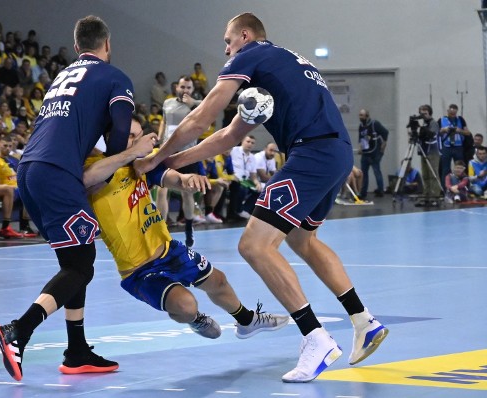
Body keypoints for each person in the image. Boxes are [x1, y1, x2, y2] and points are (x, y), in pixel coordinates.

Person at [135, 13, 388, 383]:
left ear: (245, 35)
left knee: (254, 245)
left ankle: (315, 337)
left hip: (311, 154)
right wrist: (173, 162)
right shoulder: (281, 66)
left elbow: (203, 117)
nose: (225, 49)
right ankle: (364, 321)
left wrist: (156, 158)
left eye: (228, 40)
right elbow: (226, 137)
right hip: (336, 153)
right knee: (303, 240)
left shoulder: (249, 56)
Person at [0, 15, 139, 381]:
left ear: (77, 48)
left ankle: (76, 351)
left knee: (74, 262)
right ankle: (19, 330)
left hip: (29, 171)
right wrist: (120, 159)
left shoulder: (62, 77)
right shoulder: (114, 76)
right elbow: (121, 128)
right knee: (81, 264)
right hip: (58, 173)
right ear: (107, 45)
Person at [85, 115, 288, 339]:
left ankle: (247, 320)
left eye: (139, 136)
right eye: (130, 136)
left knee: (218, 280)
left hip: (168, 249)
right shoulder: (95, 169)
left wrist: (186, 180)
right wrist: (133, 151)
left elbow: (169, 177)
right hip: (138, 270)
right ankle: (195, 319)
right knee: (185, 305)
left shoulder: (140, 165)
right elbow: (88, 179)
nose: (137, 141)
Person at [156, 75, 203, 247]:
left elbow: (208, 115)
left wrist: (193, 104)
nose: (185, 90)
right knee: (161, 191)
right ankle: (162, 230)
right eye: (183, 87)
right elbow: (164, 120)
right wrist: (160, 137)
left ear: (193, 90)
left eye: (189, 88)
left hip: (187, 154)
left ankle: (189, 228)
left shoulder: (198, 105)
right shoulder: (167, 103)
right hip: (166, 152)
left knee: (187, 192)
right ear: (177, 87)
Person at [358, 109, 389, 199]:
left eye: (362, 115)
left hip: (375, 152)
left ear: (367, 116)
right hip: (365, 152)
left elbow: (385, 132)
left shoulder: (375, 124)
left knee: (376, 171)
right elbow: (361, 138)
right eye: (359, 115)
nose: (360, 117)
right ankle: (363, 193)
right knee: (363, 174)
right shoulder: (361, 126)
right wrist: (360, 148)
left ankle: (380, 190)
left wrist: (383, 146)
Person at [414, 105, 441, 207]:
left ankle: (435, 195)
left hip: (432, 151)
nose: (423, 115)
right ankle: (427, 195)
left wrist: (422, 129)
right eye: (422, 113)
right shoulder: (424, 123)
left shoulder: (433, 123)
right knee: (425, 174)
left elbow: (432, 135)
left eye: (425, 113)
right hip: (424, 151)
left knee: (433, 174)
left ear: (430, 113)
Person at [439, 104, 470, 180]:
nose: (452, 114)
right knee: (445, 169)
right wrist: (444, 130)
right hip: (446, 147)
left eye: (454, 113)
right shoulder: (441, 120)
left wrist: (460, 130)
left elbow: (467, 133)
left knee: (461, 167)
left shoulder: (460, 119)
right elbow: (437, 133)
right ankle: (445, 188)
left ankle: (462, 186)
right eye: (451, 112)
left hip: (458, 146)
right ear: (448, 111)